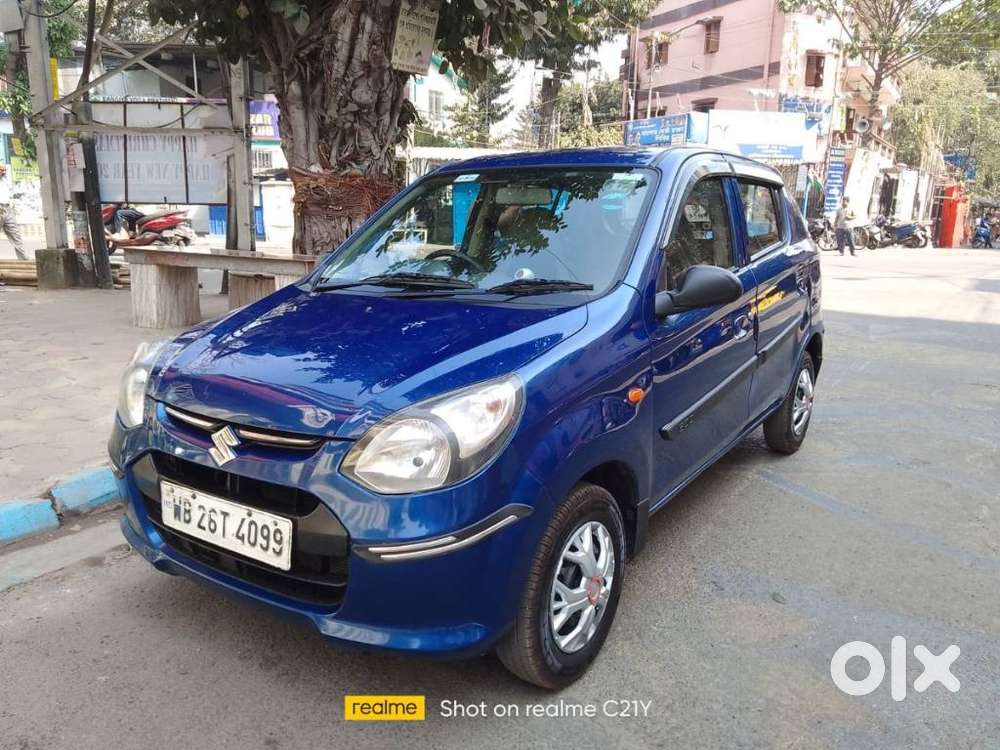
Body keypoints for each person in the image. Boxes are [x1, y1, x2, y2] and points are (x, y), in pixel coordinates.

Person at [0, 163, 26, 260]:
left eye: (4, 170)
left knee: (16, 235)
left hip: (7, 208)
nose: (3, 172)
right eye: (1, 170)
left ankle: (23, 260)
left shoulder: (5, 180)